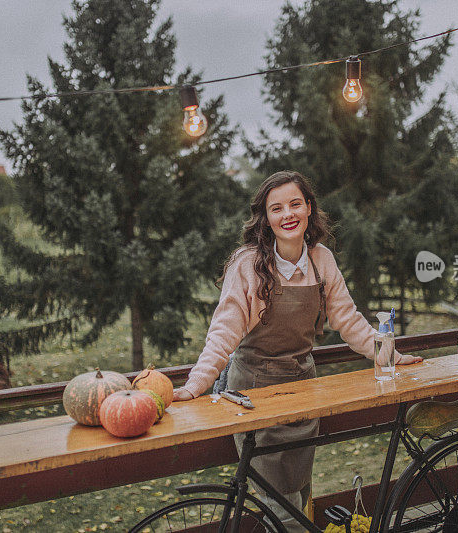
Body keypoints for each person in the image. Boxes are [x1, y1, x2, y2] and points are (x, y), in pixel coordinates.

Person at [173, 170, 422, 531]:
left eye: (294, 204)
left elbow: (349, 322)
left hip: (304, 390)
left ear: (308, 208)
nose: (287, 214)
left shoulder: (322, 260)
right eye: (277, 208)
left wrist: (390, 356)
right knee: (277, 500)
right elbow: (223, 334)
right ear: (266, 218)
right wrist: (195, 386)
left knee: (298, 488)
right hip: (254, 394)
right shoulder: (248, 264)